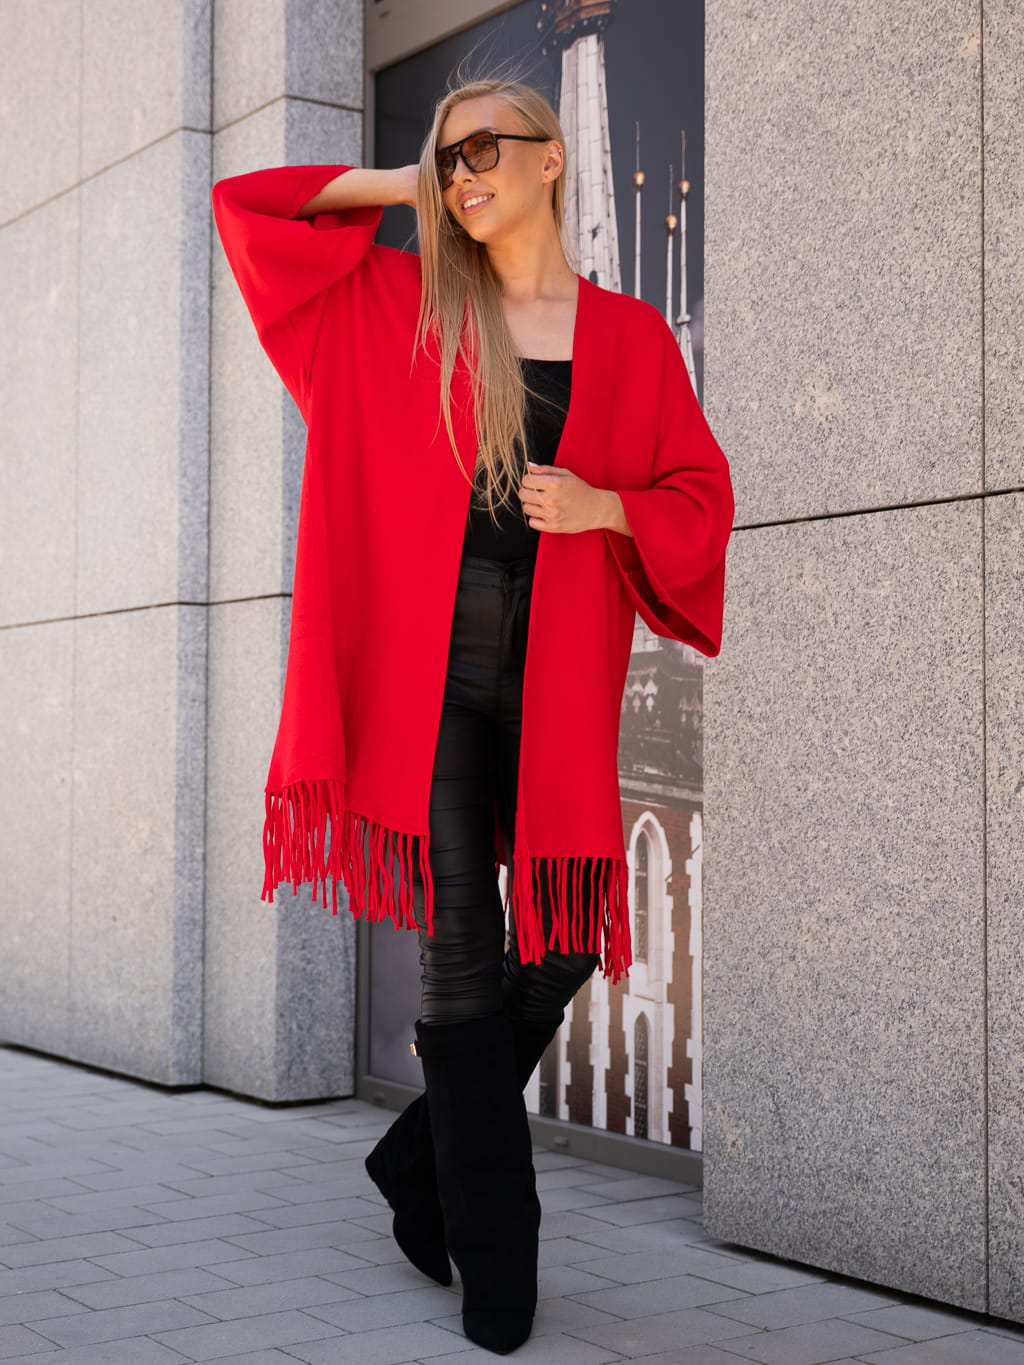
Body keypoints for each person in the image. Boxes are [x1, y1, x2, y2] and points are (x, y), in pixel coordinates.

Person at [212, 76, 733, 1357]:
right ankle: (497, 1274)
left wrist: (605, 508)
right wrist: (403, 186)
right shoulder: (400, 304)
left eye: (486, 148)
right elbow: (249, 211)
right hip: (428, 685)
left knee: (557, 951)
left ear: (552, 159)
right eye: (447, 157)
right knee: (459, 954)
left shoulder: (629, 339)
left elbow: (696, 494)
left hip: (551, 683)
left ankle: (415, 1160)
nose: (463, 173)